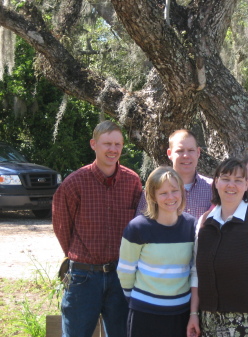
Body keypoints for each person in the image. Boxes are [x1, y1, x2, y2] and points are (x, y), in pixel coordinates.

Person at [52, 120, 143, 337]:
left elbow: (138, 225)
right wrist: (81, 256)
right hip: (84, 277)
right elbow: (62, 227)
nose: (113, 149)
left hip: (122, 276)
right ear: (94, 144)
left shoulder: (132, 182)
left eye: (118, 144)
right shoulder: (74, 183)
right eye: (107, 144)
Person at [187, 158, 248, 337]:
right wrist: (194, 314)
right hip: (207, 321)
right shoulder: (204, 222)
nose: (231, 185)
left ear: (246, 185)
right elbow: (196, 273)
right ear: (216, 182)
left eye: (238, 180)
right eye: (225, 178)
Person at [117, 166, 196, 337]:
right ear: (152, 196)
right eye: (163, 193)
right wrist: (138, 299)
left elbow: (194, 270)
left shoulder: (191, 226)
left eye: (175, 190)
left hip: (181, 312)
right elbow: (125, 271)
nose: (170, 197)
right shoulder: (137, 228)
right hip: (145, 314)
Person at [135, 129, 212, 219]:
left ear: (198, 152)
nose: (186, 155)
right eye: (180, 151)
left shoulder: (213, 188)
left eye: (191, 150)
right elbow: (140, 227)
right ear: (169, 153)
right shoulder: (154, 188)